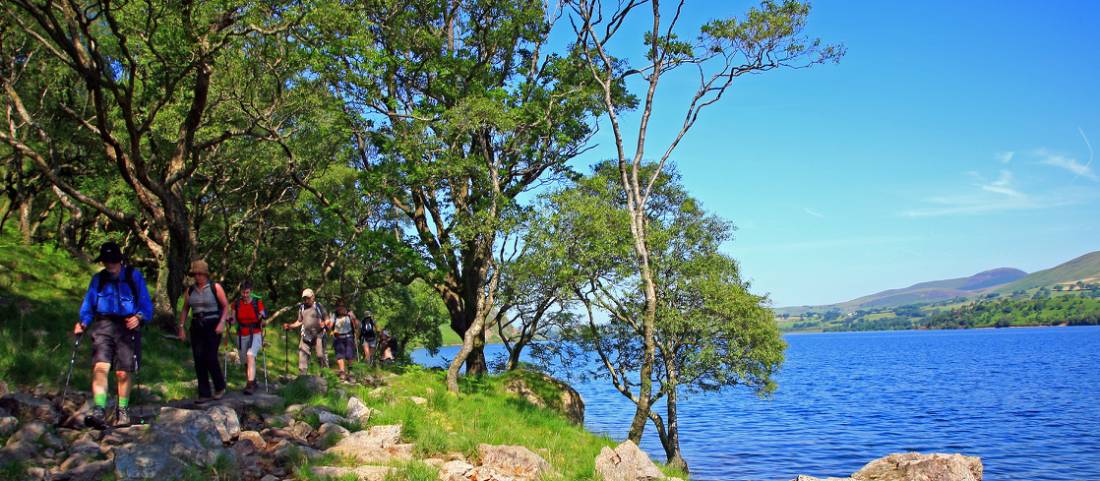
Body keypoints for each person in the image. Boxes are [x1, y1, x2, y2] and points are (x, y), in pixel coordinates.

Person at [75, 241, 153, 428]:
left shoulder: (133, 277)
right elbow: (88, 304)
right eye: (105, 261)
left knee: (122, 372)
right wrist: (83, 322)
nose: (109, 265)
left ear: (119, 260)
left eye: (112, 261)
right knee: (100, 367)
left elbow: (146, 304)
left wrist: (139, 318)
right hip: (103, 325)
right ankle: (99, 409)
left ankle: (123, 412)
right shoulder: (98, 279)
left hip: (127, 327)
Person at [177, 260, 229, 404]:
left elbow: (225, 306)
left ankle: (220, 386)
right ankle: (204, 393)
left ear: (206, 274)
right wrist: (181, 327)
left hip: (213, 323)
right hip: (196, 324)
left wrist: (222, 323)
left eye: (200, 274)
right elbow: (185, 309)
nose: (198, 277)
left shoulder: (215, 287)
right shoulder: (190, 290)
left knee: (210, 356)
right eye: (195, 274)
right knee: (199, 358)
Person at [229, 280, 266, 395]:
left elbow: (262, 314)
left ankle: (249, 384)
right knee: (245, 360)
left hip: (255, 333)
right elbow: (234, 319)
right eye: (243, 293)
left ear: (251, 292)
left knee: (250, 355)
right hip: (241, 334)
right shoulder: (236, 303)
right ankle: (253, 381)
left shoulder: (257, 302)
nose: (245, 295)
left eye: (247, 292)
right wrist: (228, 320)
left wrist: (263, 318)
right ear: (240, 292)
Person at [282, 289, 327, 375]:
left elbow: (328, 319)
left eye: (308, 298)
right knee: (302, 355)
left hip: (318, 334)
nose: (306, 300)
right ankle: (303, 378)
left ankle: (324, 375)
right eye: (305, 298)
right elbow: (299, 321)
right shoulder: (302, 307)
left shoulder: (318, 306)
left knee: (320, 355)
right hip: (306, 335)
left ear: (313, 297)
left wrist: (324, 323)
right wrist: (290, 325)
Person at [326, 301, 359, 381]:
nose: (340, 308)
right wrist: (328, 323)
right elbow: (329, 327)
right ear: (336, 308)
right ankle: (342, 372)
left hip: (349, 337)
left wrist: (353, 318)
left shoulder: (349, 314)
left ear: (344, 307)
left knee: (349, 355)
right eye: (338, 306)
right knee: (339, 355)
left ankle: (350, 371)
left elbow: (357, 325)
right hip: (338, 337)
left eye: (342, 306)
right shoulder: (334, 315)